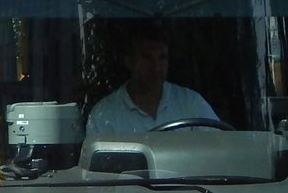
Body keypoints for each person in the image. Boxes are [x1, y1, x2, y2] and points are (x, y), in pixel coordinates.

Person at [85, 26, 219, 136]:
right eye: (147, 57)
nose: (155, 67)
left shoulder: (191, 103)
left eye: (162, 57)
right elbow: (98, 167)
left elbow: (219, 148)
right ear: (129, 62)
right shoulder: (104, 115)